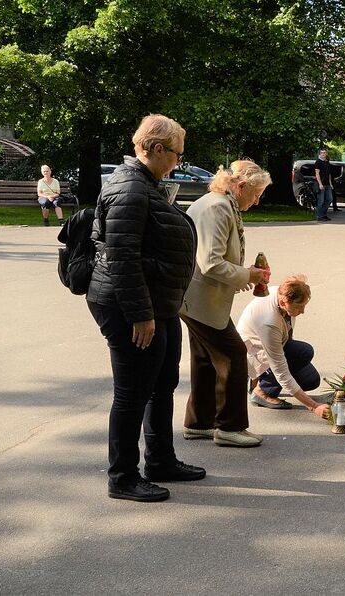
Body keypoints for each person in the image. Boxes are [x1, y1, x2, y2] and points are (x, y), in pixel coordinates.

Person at [87, 114, 204, 503]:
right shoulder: (130, 188)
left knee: (162, 383)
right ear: (156, 149)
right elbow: (121, 257)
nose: (177, 163)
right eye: (175, 155)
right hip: (131, 307)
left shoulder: (145, 184)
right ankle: (122, 476)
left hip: (158, 304)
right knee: (133, 392)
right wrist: (141, 315)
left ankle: (160, 460)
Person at [179, 160, 272, 448]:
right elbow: (210, 263)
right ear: (240, 186)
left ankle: (199, 423)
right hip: (200, 300)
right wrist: (248, 274)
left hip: (197, 299)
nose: (256, 201)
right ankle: (229, 426)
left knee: (206, 359)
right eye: (256, 194)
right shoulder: (218, 207)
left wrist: (242, 274)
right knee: (233, 354)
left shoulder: (220, 204)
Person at [236, 276, 331, 417]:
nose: (303, 311)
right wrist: (313, 406)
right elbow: (280, 370)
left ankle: (261, 380)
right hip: (254, 353)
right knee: (304, 352)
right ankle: (262, 391)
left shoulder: (280, 294)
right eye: (299, 307)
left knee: (311, 380)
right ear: (283, 302)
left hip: (272, 345)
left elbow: (287, 334)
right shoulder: (268, 321)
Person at [314, 149, 333, 221]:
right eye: (322, 153)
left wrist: (331, 184)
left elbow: (329, 174)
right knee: (321, 201)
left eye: (324, 153)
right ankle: (319, 216)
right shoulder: (318, 162)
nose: (323, 154)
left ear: (326, 154)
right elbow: (317, 174)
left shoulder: (327, 162)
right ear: (319, 154)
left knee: (329, 199)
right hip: (321, 184)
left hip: (327, 184)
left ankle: (323, 214)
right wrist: (320, 184)